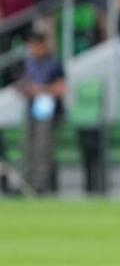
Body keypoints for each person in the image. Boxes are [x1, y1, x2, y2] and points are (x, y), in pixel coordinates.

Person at [17, 30, 65, 195]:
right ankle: (26, 182)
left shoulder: (54, 64)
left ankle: (41, 183)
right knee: (27, 146)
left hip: (48, 111)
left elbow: (61, 88)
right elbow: (23, 83)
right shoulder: (29, 63)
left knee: (43, 147)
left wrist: (42, 89)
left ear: (42, 45)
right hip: (31, 109)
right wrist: (25, 89)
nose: (33, 50)